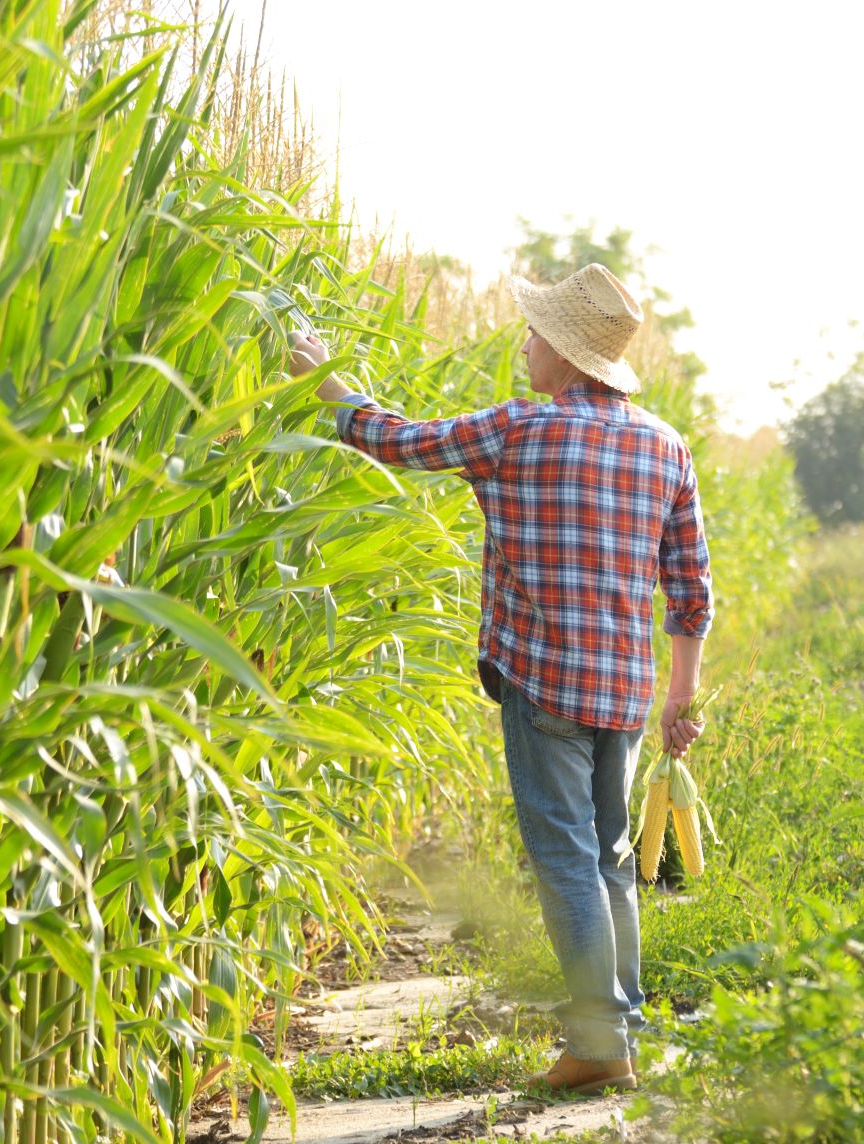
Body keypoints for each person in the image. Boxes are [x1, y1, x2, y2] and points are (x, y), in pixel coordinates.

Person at [285, 263, 713, 1095]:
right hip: (624, 692)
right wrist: (679, 695)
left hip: (544, 684)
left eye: (532, 335)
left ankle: (598, 1043)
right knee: (613, 860)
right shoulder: (664, 445)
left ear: (560, 351)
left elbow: (394, 440)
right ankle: (616, 1032)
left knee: (565, 861)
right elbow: (690, 587)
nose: (524, 347)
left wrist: (323, 379)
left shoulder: (518, 429)